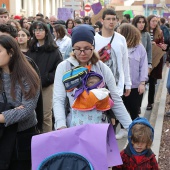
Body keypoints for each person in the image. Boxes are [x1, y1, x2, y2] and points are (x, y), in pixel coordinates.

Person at [53, 24, 132, 131]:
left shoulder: (102, 68)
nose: (82, 53)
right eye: (77, 49)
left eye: (87, 48)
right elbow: (58, 99)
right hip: (73, 126)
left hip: (100, 127)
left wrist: (130, 127)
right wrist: (61, 125)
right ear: (72, 48)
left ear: (93, 47)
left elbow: (116, 100)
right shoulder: (64, 67)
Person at [0, 34, 40, 170]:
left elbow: (27, 109)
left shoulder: (27, 74)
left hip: (22, 136)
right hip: (2, 135)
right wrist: (14, 111)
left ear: (10, 52)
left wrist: (2, 116)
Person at [94, 8, 132, 139]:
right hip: (97, 88)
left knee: (114, 118)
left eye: (113, 19)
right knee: (101, 119)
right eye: (108, 19)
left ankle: (110, 149)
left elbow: (125, 62)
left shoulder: (121, 39)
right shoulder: (94, 39)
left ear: (117, 21)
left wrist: (127, 83)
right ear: (102, 20)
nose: (111, 22)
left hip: (116, 86)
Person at [28, 21, 63, 133]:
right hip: (31, 86)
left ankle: (47, 141)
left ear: (46, 32)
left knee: (46, 115)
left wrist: (47, 78)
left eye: (40, 29)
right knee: (32, 115)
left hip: (47, 86)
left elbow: (59, 69)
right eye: (35, 30)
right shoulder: (31, 48)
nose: (37, 32)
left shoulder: (54, 50)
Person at [118, 24, 148, 120]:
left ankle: (135, 130)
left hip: (135, 86)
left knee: (134, 110)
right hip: (120, 84)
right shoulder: (118, 47)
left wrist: (142, 83)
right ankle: (123, 129)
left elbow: (143, 67)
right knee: (121, 110)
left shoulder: (140, 48)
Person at [146, 15, 167, 110]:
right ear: (149, 21)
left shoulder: (160, 32)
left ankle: (150, 102)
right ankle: (137, 105)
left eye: (156, 21)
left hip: (155, 59)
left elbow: (163, 45)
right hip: (145, 59)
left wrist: (157, 44)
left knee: (152, 81)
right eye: (153, 21)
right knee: (142, 82)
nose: (154, 23)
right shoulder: (144, 31)